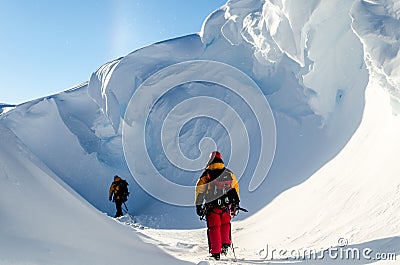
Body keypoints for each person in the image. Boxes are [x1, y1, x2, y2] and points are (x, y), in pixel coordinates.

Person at [195, 151, 240, 260]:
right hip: (226, 206)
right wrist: (236, 204)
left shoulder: (207, 174)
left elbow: (199, 189)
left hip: (212, 207)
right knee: (225, 224)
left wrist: (198, 206)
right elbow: (235, 188)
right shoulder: (228, 173)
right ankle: (225, 245)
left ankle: (215, 253)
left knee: (214, 228)